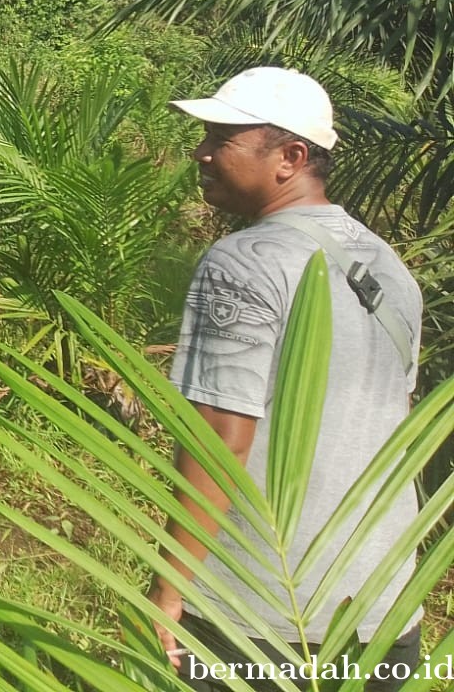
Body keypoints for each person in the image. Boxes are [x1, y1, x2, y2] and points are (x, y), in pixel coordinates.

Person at [149, 67, 423, 691]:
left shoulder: (243, 263)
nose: (203, 152)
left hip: (260, 611)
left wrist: (169, 588)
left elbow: (220, 434)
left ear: (291, 157)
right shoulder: (387, 263)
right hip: (381, 606)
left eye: (223, 137)